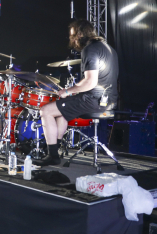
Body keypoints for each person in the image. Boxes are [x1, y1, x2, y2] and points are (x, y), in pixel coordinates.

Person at [37, 19, 119, 166]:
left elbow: (90, 82)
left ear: (80, 34)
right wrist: (71, 91)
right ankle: (55, 147)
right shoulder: (108, 48)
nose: (71, 39)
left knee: (46, 111)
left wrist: (68, 91)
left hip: (93, 101)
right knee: (61, 110)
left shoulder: (90, 49)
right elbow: (94, 79)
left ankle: (52, 155)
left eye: (72, 35)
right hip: (109, 101)